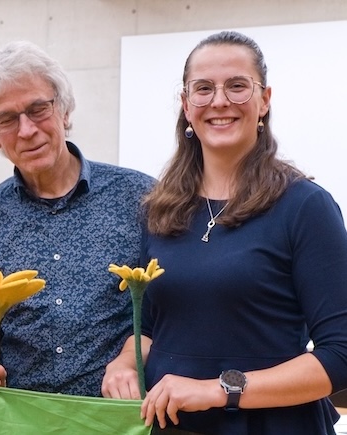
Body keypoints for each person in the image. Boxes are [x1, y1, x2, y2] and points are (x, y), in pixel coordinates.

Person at [101, 30, 347, 434]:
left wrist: (219, 389)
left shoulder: (305, 207)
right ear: (186, 104)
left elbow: (340, 355)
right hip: (171, 427)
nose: (219, 101)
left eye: (237, 86)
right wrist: (125, 362)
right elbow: (151, 329)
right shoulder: (160, 210)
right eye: (203, 89)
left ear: (264, 99)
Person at [0, 41, 156, 396]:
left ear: (64, 111)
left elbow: (168, 312)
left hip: (120, 418)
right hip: (22, 422)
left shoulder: (141, 198)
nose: (27, 130)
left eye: (38, 109)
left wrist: (130, 358)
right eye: (6, 119)